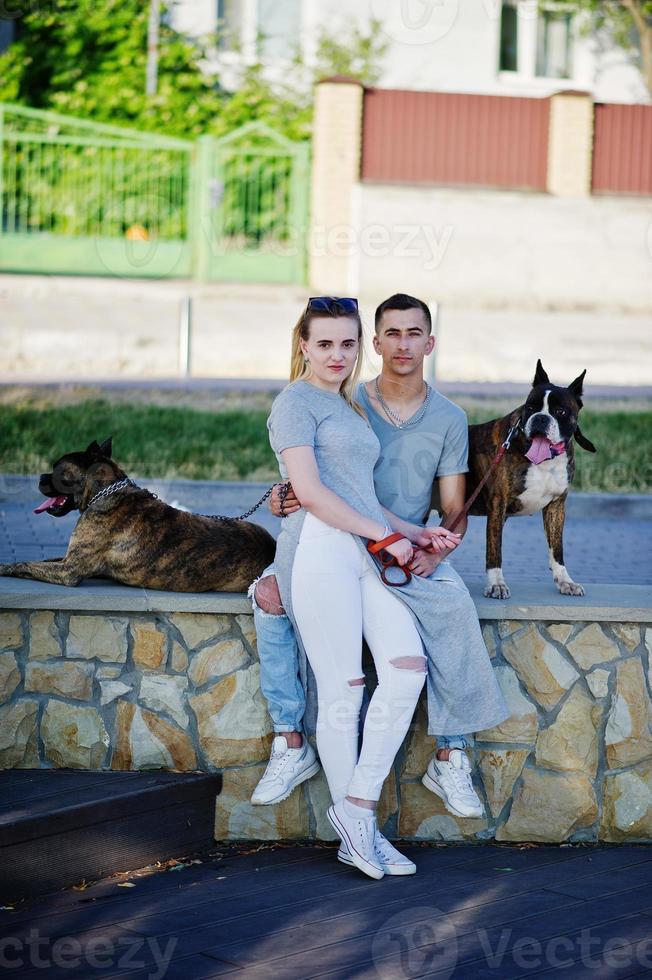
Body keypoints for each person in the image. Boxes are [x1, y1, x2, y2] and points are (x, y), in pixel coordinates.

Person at [263, 295, 466, 880]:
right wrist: (385, 538)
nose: (337, 354)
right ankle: (363, 834)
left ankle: (355, 809)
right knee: (344, 686)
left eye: (347, 343)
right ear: (303, 345)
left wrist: (418, 532)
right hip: (323, 554)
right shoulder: (294, 404)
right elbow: (313, 493)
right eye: (325, 343)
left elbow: (359, 494)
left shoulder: (348, 405)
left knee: (406, 668)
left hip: (363, 551)